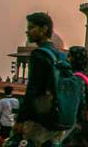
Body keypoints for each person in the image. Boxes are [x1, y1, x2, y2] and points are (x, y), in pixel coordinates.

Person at [14, 12, 65, 147]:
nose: (27, 31)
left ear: (44, 29)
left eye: (31, 28)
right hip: (57, 117)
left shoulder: (39, 54)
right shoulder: (59, 54)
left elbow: (33, 89)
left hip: (39, 118)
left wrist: (21, 119)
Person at [61, 46, 88, 147]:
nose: (67, 59)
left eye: (70, 56)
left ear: (76, 59)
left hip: (78, 129)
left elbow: (78, 105)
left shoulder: (76, 78)